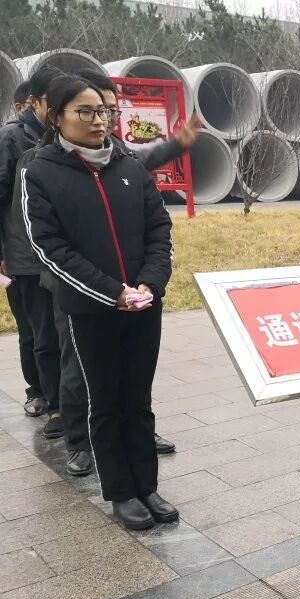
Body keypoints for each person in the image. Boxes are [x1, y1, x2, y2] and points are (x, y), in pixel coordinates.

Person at [22, 75, 175, 530]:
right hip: (92, 309)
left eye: (105, 111)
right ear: (57, 117)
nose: (99, 121)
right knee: (104, 401)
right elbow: (48, 247)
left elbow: (159, 228)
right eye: (85, 112)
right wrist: (113, 292)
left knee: (138, 399)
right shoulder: (40, 171)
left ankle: (147, 486)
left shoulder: (128, 164)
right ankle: (121, 492)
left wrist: (149, 284)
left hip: (143, 304)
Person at [1, 67, 61, 426]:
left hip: (56, 253)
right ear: (34, 102)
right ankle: (39, 392)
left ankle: (59, 396)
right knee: (34, 330)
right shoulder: (12, 137)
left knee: (54, 329)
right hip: (22, 255)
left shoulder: (60, 134)